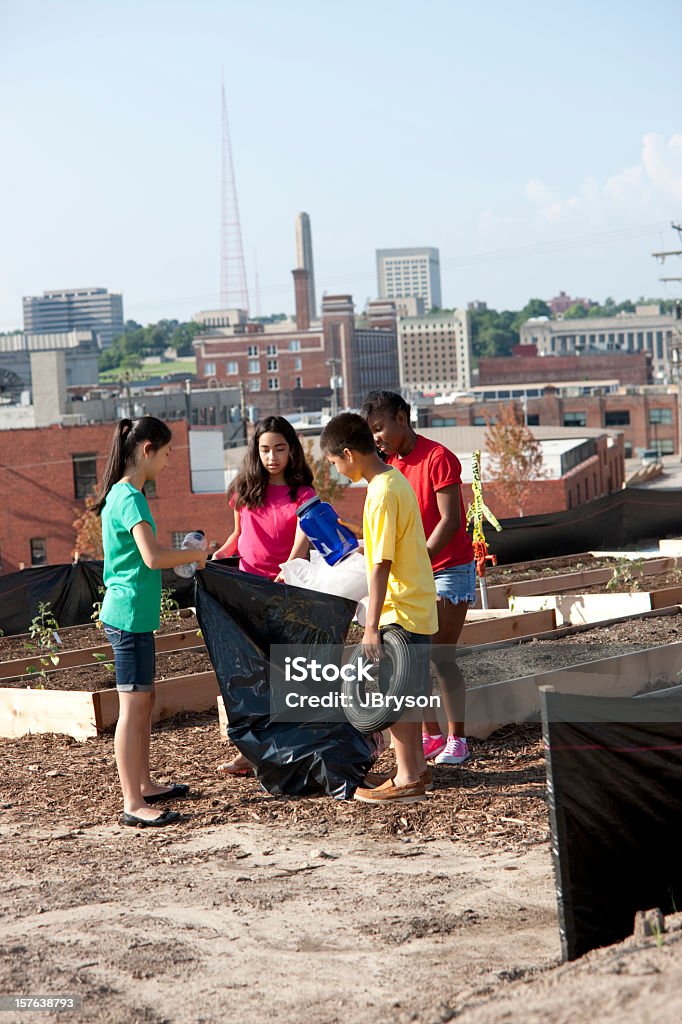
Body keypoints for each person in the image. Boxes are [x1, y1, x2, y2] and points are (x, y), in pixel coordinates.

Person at [93, 416, 208, 828]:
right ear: (146, 451)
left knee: (142, 706)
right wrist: (194, 556)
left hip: (134, 617)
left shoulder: (123, 496)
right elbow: (153, 558)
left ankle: (143, 785)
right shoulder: (130, 498)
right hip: (126, 619)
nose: (168, 461)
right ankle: (132, 803)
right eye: (166, 453)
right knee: (132, 709)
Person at [320, 412, 437, 804]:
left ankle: (406, 780)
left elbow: (382, 563)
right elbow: (389, 547)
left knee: (396, 692)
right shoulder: (394, 481)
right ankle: (416, 770)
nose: (337, 471)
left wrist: (370, 626)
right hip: (416, 602)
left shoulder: (380, 492)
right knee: (412, 690)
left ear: (349, 454)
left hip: (398, 607)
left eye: (335, 462)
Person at [360, 390, 475, 767]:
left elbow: (451, 520)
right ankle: (432, 736)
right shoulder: (388, 466)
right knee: (413, 658)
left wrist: (419, 559)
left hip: (447, 569)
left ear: (402, 417)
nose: (376, 437)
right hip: (414, 574)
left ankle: (458, 739)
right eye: (370, 431)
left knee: (440, 657)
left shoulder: (438, 458)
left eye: (380, 428)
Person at [213, 415, 316, 775]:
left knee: (287, 671)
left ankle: (293, 748)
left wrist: (288, 566)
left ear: (292, 450)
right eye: (265, 449)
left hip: (287, 590)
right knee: (253, 674)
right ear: (256, 452)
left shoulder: (302, 492)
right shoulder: (243, 490)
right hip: (248, 591)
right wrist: (215, 556)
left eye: (280, 449)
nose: (272, 457)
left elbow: (305, 535)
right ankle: (250, 751)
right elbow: (238, 537)